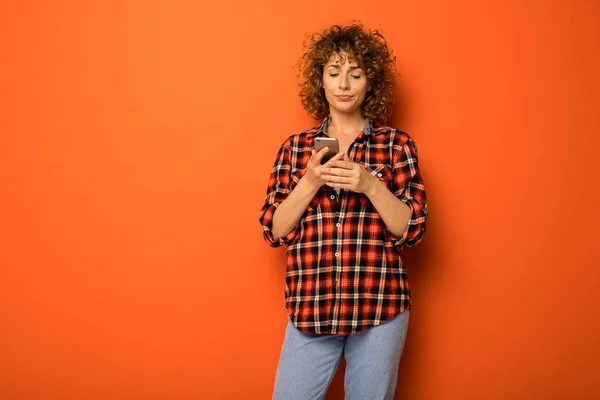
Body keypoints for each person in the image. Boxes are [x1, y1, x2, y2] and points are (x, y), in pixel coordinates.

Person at [258, 23, 428, 400]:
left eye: (356, 73)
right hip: (311, 307)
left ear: (371, 82)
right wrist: (310, 181)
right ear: (321, 80)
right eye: (334, 73)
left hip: (379, 308)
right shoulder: (295, 149)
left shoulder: (396, 146)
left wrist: (369, 184)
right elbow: (273, 230)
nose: (344, 84)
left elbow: (413, 228)